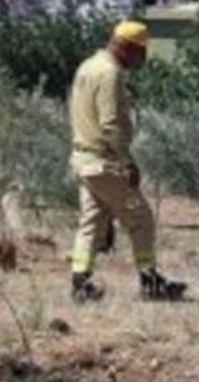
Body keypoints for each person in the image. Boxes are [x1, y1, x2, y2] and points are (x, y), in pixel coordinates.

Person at [68, 20, 185, 303]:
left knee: (91, 222)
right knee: (141, 219)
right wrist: (127, 162)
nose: (142, 60)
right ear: (126, 47)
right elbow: (110, 125)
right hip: (105, 162)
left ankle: (80, 281)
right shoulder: (110, 74)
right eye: (139, 52)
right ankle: (150, 281)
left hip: (83, 159)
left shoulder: (88, 66)